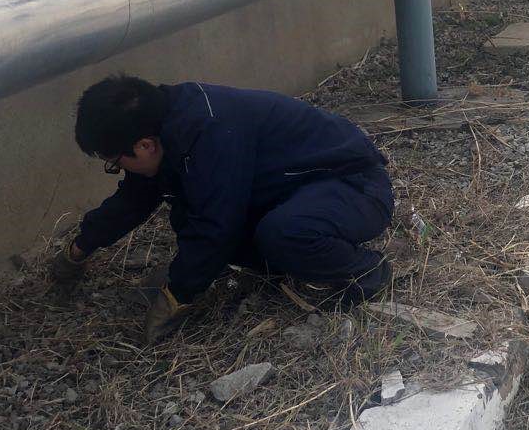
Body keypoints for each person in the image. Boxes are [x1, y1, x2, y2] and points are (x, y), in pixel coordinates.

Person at [52, 75, 393, 341]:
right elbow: (134, 199)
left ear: (144, 146)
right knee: (193, 219)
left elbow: (215, 226)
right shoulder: (162, 126)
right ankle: (292, 258)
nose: (119, 170)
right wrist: (80, 248)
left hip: (355, 186)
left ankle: (367, 271)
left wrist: (176, 297)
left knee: (280, 233)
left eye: (115, 163)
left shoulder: (208, 133)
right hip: (297, 192)